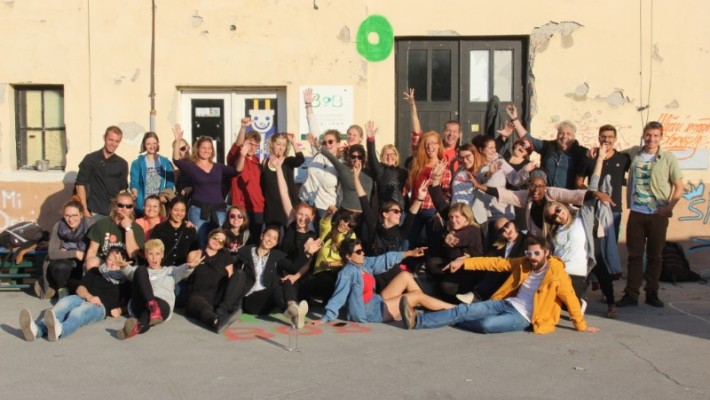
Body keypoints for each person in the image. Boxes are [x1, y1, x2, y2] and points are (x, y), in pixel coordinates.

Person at [400, 236, 600, 335]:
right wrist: (465, 262)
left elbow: (570, 299)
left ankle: (446, 318)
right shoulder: (523, 262)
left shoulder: (557, 274)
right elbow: (495, 263)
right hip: (507, 303)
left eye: (536, 253)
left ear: (546, 253)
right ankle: (418, 320)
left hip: (523, 317)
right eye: (529, 253)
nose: (532, 257)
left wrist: (581, 325)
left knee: (485, 325)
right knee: (464, 310)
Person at [617, 121, 683, 308]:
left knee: (655, 256)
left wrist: (669, 208)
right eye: (648, 135)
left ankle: (652, 293)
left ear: (661, 137)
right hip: (637, 214)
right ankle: (631, 294)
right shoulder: (634, 153)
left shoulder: (668, 158)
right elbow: (614, 154)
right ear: (643, 135)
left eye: (655, 135)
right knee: (634, 256)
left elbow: (679, 186)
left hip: (657, 215)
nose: (651, 139)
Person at [312, 239, 454, 324]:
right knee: (417, 296)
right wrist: (326, 317)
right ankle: (455, 309)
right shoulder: (347, 273)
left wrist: (409, 253)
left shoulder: (363, 263)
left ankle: (413, 310)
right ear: (348, 257)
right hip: (368, 313)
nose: (363, 253)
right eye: (359, 252)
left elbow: (384, 259)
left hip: (376, 301)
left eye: (362, 250)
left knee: (405, 276)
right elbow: (339, 296)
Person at [19, 247, 131, 342]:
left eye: (117, 261)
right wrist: (89, 296)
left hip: (100, 307)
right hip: (84, 297)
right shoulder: (95, 271)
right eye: (110, 259)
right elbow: (80, 288)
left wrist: (120, 310)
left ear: (123, 262)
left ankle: (60, 330)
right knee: (64, 303)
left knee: (79, 312)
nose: (112, 264)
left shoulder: (126, 281)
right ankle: (37, 330)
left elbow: (131, 302)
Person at [233, 225, 319, 328]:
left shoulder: (276, 255)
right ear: (261, 236)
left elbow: (293, 267)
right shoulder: (246, 251)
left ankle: (292, 306)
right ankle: (293, 312)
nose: (270, 240)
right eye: (268, 236)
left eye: (274, 238)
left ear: (276, 243)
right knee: (275, 288)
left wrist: (308, 253)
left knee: (287, 279)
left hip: (267, 301)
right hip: (250, 301)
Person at [117, 239, 203, 339]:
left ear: (162, 255)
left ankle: (137, 327)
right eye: (150, 254)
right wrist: (123, 266)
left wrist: (190, 266)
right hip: (141, 303)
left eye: (157, 254)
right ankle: (153, 307)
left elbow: (183, 270)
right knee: (140, 270)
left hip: (162, 306)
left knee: (149, 314)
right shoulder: (140, 270)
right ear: (145, 255)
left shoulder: (171, 271)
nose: (154, 257)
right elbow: (129, 271)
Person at [173, 126, 237, 247]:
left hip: (218, 210)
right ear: (197, 149)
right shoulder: (192, 166)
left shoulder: (218, 167)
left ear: (212, 150)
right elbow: (176, 160)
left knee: (219, 242)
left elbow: (237, 170)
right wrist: (177, 140)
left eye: (209, 148)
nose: (206, 150)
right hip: (198, 210)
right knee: (200, 242)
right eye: (203, 147)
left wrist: (241, 154)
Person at [507, 105, 588, 189]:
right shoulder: (549, 147)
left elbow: (592, 159)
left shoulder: (580, 152)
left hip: (567, 195)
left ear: (574, 138)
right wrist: (514, 119)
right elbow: (529, 138)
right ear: (557, 135)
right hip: (546, 193)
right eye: (561, 133)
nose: (564, 136)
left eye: (568, 134)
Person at [576, 124, 632, 240]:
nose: (606, 140)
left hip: (614, 209)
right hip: (592, 208)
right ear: (599, 138)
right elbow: (578, 182)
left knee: (611, 244)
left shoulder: (623, 159)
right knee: (591, 242)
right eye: (603, 136)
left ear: (615, 139)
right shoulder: (589, 158)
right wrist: (592, 193)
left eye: (610, 137)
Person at [456, 217, 529, 304]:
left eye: (507, 225)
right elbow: (486, 259)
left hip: (515, 278)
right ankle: (476, 295)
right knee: (490, 265)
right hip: (498, 279)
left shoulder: (527, 241)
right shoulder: (498, 245)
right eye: (501, 230)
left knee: (497, 266)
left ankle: (477, 295)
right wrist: (468, 258)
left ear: (513, 223)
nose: (506, 230)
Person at [185, 229, 244, 333]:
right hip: (198, 295)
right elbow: (186, 276)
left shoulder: (226, 257)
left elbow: (230, 279)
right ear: (209, 237)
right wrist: (192, 265)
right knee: (201, 306)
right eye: (215, 238)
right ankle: (216, 321)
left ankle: (223, 311)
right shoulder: (195, 254)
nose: (217, 241)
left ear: (223, 245)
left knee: (239, 274)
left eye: (221, 241)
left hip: (217, 297)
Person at [36, 200, 95, 299]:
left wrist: (65, 252)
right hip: (65, 265)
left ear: (81, 215)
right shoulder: (59, 226)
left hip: (84, 262)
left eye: (74, 215)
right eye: (67, 216)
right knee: (60, 266)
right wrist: (75, 253)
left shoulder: (90, 225)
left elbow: (95, 248)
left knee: (91, 264)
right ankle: (62, 291)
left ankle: (82, 290)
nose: (70, 219)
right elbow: (52, 253)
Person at [405, 131, 452, 250]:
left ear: (439, 145)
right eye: (427, 144)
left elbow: (446, 193)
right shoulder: (418, 164)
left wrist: (440, 212)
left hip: (432, 210)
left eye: (433, 143)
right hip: (415, 208)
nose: (430, 147)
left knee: (432, 245)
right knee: (407, 243)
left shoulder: (442, 167)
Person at [75, 126, 129, 218]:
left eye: (117, 141)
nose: (113, 144)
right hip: (93, 212)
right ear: (104, 138)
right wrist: (84, 210)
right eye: (110, 140)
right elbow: (80, 185)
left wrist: (121, 213)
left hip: (113, 214)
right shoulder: (90, 159)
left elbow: (123, 190)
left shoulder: (122, 164)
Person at [227, 117, 265, 241]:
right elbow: (238, 144)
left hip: (258, 208)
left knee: (254, 242)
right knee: (239, 241)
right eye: (250, 144)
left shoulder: (258, 162)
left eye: (256, 146)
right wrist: (243, 127)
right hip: (241, 209)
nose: (252, 148)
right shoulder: (236, 157)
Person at [85, 190, 145, 263]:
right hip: (104, 263)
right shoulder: (101, 224)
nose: (124, 209)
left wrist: (128, 228)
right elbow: (92, 251)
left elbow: (132, 254)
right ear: (115, 207)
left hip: (125, 264)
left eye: (128, 206)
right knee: (92, 262)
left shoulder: (137, 229)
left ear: (132, 209)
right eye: (120, 205)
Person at [300, 128, 341, 230]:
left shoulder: (340, 164)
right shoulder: (317, 155)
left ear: (338, 144)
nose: (327, 144)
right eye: (324, 142)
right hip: (307, 203)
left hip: (326, 208)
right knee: (306, 235)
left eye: (330, 142)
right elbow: (313, 126)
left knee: (322, 236)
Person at [260, 133, 305, 227]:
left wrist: (293, 142)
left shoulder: (288, 161)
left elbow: (300, 160)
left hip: (288, 207)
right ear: (272, 144)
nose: (281, 148)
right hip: (271, 208)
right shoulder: (264, 162)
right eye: (278, 144)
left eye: (284, 145)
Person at [130, 131, 175, 216]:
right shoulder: (137, 163)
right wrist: (134, 191)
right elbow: (134, 182)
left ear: (158, 144)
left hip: (160, 204)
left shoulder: (165, 163)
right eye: (148, 144)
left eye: (154, 143)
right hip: (143, 205)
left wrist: (165, 195)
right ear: (144, 145)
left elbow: (170, 183)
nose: (152, 146)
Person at [365, 121, 408, 208]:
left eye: (392, 154)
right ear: (382, 156)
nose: (389, 157)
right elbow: (372, 157)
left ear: (396, 156)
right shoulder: (380, 170)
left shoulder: (403, 172)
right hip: (387, 209)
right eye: (386, 154)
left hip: (402, 210)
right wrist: (370, 140)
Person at [320, 142, 373, 213]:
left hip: (364, 215)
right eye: (353, 157)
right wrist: (317, 145)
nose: (356, 160)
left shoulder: (369, 172)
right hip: (346, 213)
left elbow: (373, 158)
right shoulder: (344, 169)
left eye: (359, 157)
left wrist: (370, 140)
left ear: (363, 158)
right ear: (349, 157)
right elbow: (330, 157)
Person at [151, 196, 198, 267]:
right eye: (176, 210)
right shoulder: (159, 229)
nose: (179, 213)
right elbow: (152, 250)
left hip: (184, 269)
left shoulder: (190, 229)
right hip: (163, 269)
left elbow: (195, 251)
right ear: (170, 210)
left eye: (182, 210)